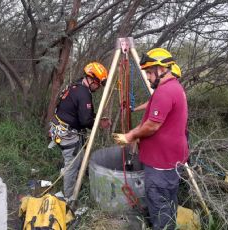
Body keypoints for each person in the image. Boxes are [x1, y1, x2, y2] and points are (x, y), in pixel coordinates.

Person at [113, 48, 188, 229]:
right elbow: (154, 116)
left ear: (161, 69)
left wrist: (130, 136)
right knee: (169, 203)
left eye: (148, 72)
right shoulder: (173, 88)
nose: (147, 77)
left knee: (159, 207)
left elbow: (152, 125)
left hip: (160, 166)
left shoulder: (165, 91)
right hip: (171, 162)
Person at [49, 62, 109, 199]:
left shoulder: (75, 86)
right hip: (67, 133)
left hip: (59, 128)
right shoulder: (83, 94)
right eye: (98, 83)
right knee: (72, 165)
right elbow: (85, 121)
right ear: (92, 79)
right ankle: (69, 197)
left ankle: (73, 179)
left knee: (78, 158)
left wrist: (97, 119)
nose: (98, 87)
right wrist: (99, 124)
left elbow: (81, 113)